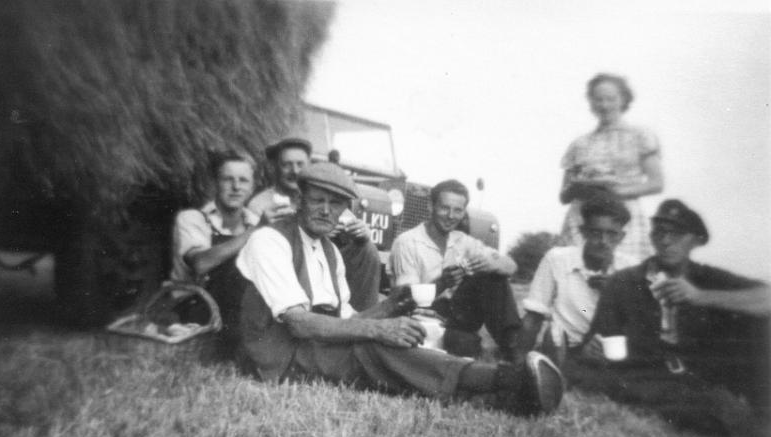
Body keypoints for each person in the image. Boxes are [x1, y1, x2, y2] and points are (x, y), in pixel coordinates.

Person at [236, 162, 564, 416]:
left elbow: (349, 318)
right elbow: (298, 322)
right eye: (317, 200)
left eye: (335, 204)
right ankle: (506, 380)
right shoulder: (271, 240)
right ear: (298, 200)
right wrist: (378, 328)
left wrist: (393, 305)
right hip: (282, 356)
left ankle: (495, 394)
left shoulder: (330, 250)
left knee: (383, 344)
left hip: (318, 342)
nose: (326, 210)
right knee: (374, 348)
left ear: (344, 209)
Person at [567, 199, 771, 437]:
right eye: (660, 233)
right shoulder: (624, 282)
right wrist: (592, 349)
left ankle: (760, 413)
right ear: (652, 238)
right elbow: (598, 340)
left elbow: (766, 297)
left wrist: (700, 296)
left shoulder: (706, 278)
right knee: (584, 372)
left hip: (702, 371)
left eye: (677, 234)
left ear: (696, 240)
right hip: (649, 375)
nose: (666, 241)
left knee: (760, 322)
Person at [388, 179, 521, 360]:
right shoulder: (408, 242)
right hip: (421, 314)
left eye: (458, 210)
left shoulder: (462, 240)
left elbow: (510, 265)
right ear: (431, 206)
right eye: (445, 208)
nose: (451, 216)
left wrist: (492, 264)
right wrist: (441, 283)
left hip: (455, 314)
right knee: (463, 343)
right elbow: (404, 299)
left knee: (493, 277)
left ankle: (513, 349)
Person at [247, 137, 380, 311]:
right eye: (286, 164)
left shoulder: (325, 196)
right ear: (275, 168)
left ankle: (365, 316)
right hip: (284, 263)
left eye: (300, 164)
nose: (294, 171)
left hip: (324, 263)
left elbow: (345, 219)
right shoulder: (261, 203)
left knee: (367, 249)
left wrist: (360, 233)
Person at [559, 73, 664, 261]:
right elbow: (564, 195)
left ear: (623, 99)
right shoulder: (579, 144)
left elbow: (657, 183)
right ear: (591, 102)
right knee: (576, 275)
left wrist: (614, 192)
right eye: (598, 99)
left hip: (623, 217)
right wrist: (578, 188)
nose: (604, 105)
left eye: (611, 99)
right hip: (582, 218)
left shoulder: (640, 136)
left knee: (624, 275)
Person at [518, 195, 636, 362]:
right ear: (583, 232)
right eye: (596, 233)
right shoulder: (557, 260)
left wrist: (615, 292)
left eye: (611, 234)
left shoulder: (631, 269)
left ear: (621, 237)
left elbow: (640, 324)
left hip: (611, 349)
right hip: (566, 349)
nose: (603, 241)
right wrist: (517, 363)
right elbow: (534, 316)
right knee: (552, 337)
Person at [170, 149, 259, 346]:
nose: (236, 187)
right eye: (228, 179)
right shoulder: (192, 218)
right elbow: (200, 263)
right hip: (195, 306)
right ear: (215, 184)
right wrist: (255, 233)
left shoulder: (254, 221)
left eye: (243, 180)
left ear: (252, 187)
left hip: (237, 307)